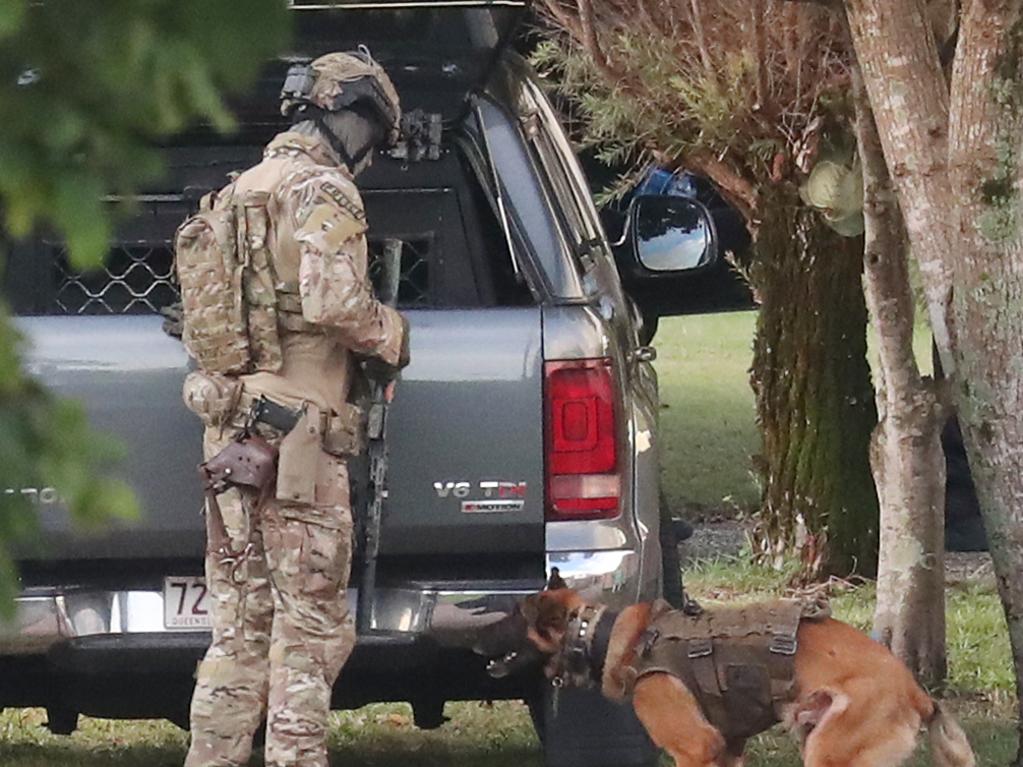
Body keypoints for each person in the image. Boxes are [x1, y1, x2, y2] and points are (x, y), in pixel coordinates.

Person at [176, 49, 408, 767]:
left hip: (233, 439)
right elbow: (335, 302)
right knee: (308, 633)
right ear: (352, 118)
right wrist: (393, 334)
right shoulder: (322, 189)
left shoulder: (239, 190)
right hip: (297, 445)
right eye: (373, 136)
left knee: (238, 630)